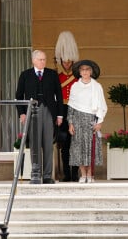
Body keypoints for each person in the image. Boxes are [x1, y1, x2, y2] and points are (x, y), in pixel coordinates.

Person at [16, 50, 64, 184]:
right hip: (31, 111)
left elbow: (59, 96)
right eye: (40, 59)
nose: (43, 61)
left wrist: (59, 115)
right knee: (34, 144)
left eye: (44, 59)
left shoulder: (52, 74)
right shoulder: (25, 75)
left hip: (49, 111)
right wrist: (22, 113)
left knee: (48, 143)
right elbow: (19, 96)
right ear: (33, 60)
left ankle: (48, 175)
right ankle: (35, 174)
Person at [67, 60, 107, 183]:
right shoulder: (75, 86)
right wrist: (70, 123)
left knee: (90, 148)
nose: (85, 72)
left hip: (91, 120)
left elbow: (102, 105)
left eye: (87, 69)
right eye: (82, 70)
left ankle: (90, 174)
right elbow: (71, 106)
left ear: (91, 72)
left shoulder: (97, 86)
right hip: (77, 120)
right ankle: (83, 174)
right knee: (79, 148)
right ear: (79, 72)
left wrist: (100, 122)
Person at [55, 31, 79, 182]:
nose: (67, 64)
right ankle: (66, 173)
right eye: (64, 61)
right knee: (64, 144)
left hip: (75, 109)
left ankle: (75, 173)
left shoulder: (77, 76)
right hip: (62, 111)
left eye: (69, 61)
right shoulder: (58, 77)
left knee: (75, 144)